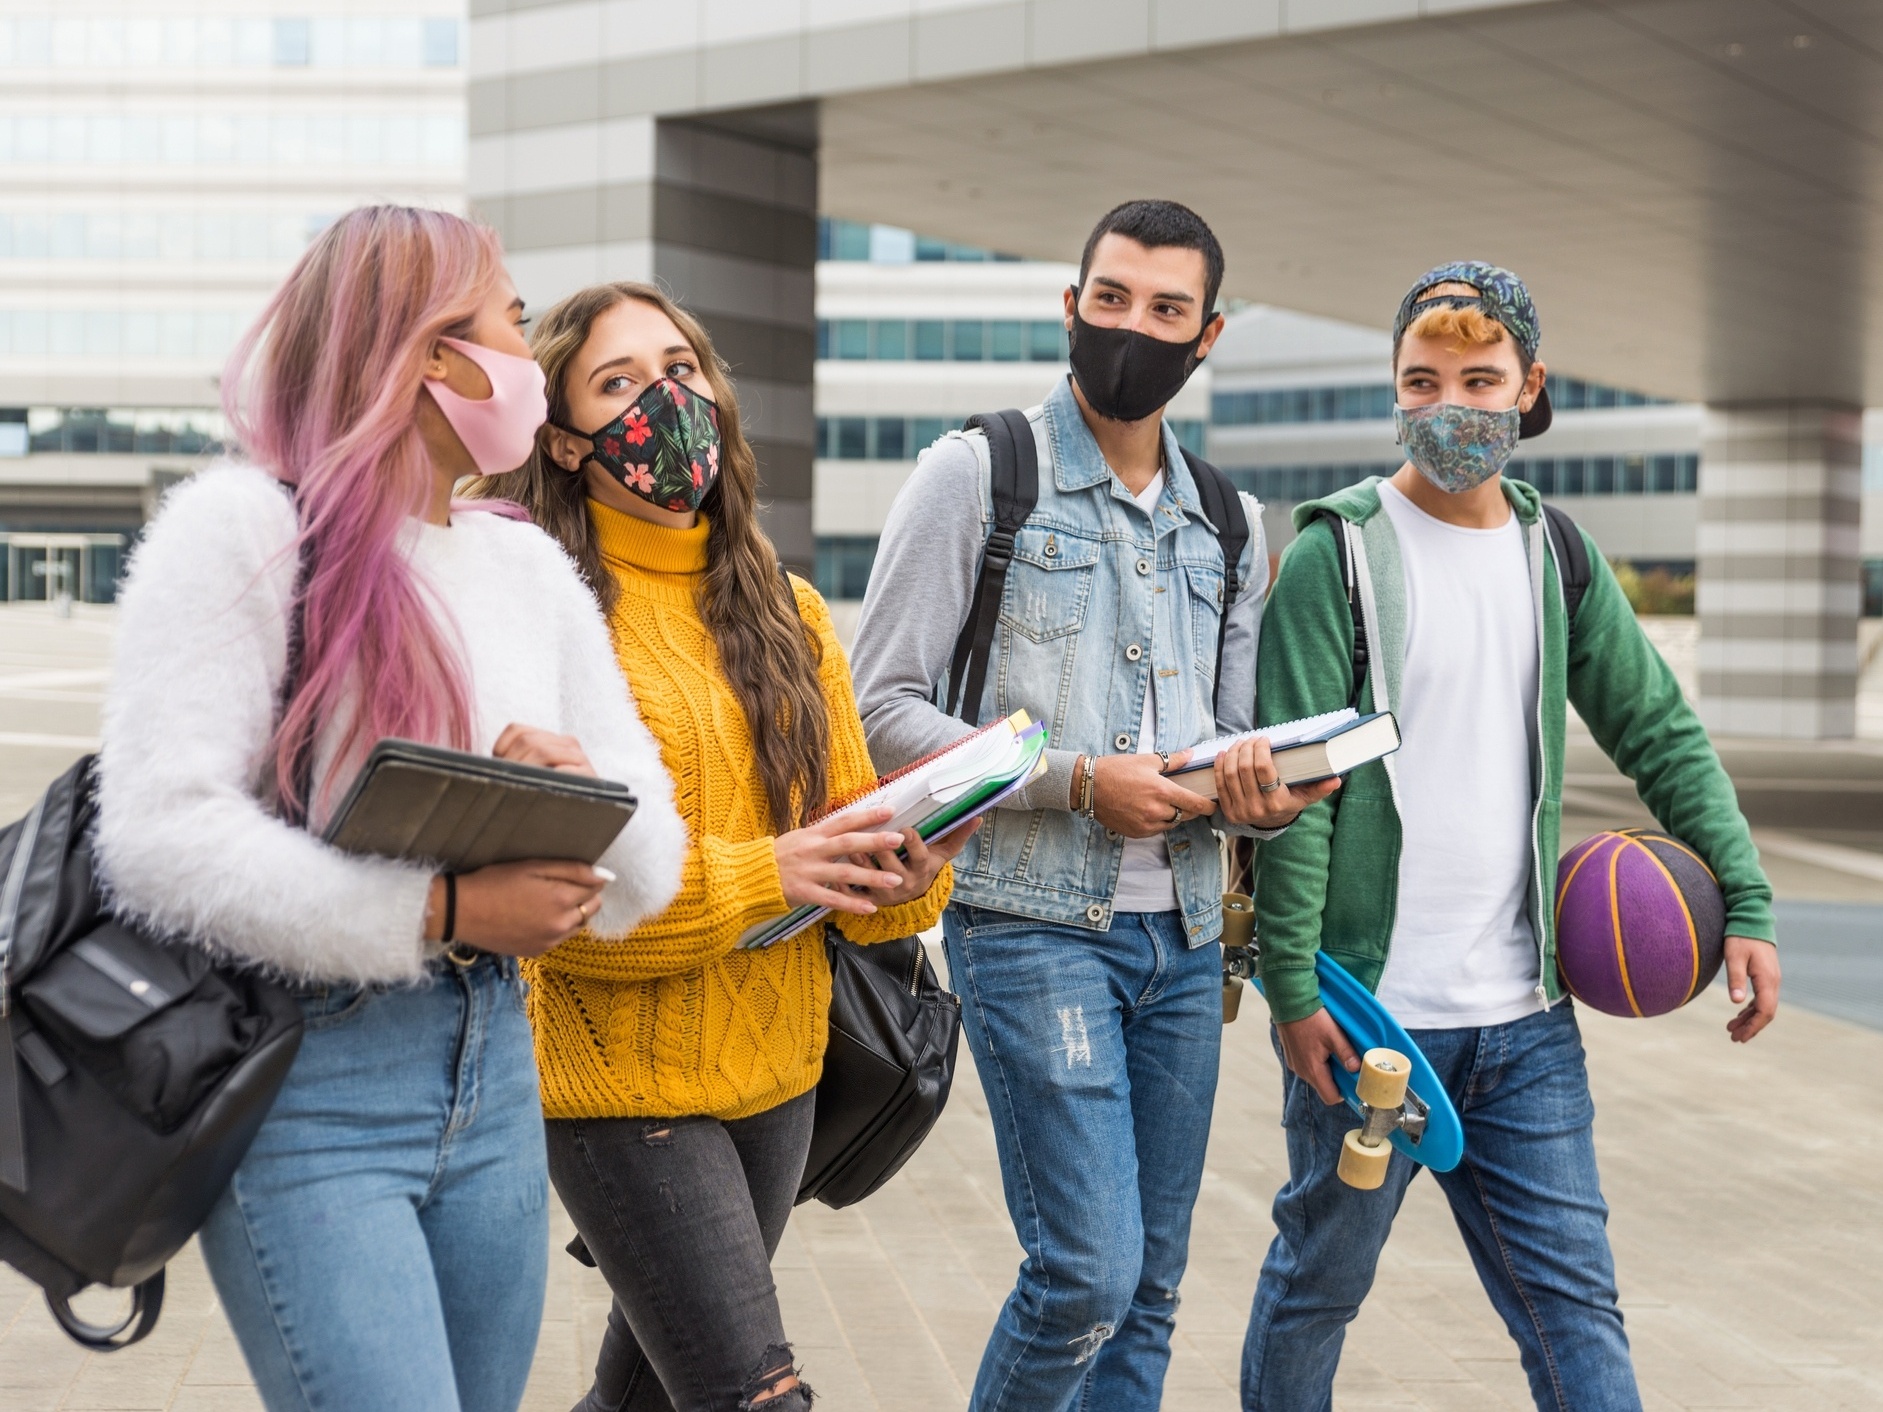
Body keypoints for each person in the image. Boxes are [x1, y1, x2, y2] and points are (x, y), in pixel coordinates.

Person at [93, 207, 686, 1412]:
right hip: (312, 1079)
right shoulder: (247, 531)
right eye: (510, 323)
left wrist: (582, 795)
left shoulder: (525, 564)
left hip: (497, 1069)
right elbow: (156, 837)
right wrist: (446, 901)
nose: (529, 356)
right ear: (429, 356)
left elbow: (653, 859)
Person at [1239, 261, 1782, 1411]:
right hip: (1369, 1027)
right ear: (1392, 389)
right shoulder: (1332, 556)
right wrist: (1293, 988)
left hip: (1526, 1028)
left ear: (1528, 386)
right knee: (1315, 1292)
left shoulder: (1553, 555)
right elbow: (1296, 793)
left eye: (1479, 379)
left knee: (1574, 1312)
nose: (1450, 405)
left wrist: (1745, 897)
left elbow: (1660, 734)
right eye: (1421, 380)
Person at [849, 200, 1332, 1411]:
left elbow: (1223, 742)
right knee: (1085, 1273)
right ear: (1069, 306)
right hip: (1027, 926)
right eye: (1110, 299)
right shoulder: (974, 475)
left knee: (1151, 1285)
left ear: (1205, 334)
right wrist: (1073, 778)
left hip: (1175, 940)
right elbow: (880, 712)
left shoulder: (1228, 521)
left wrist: (1261, 792)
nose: (1133, 327)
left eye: (1165, 310)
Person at [476, 280, 966, 1412]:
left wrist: (908, 866)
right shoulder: (548, 612)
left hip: (783, 1073)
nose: (665, 398)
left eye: (680, 368)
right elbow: (556, 907)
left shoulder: (789, 612)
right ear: (561, 439)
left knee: (639, 1397)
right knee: (753, 1395)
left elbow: (863, 897)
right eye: (619, 382)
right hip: (616, 1085)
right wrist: (770, 869)